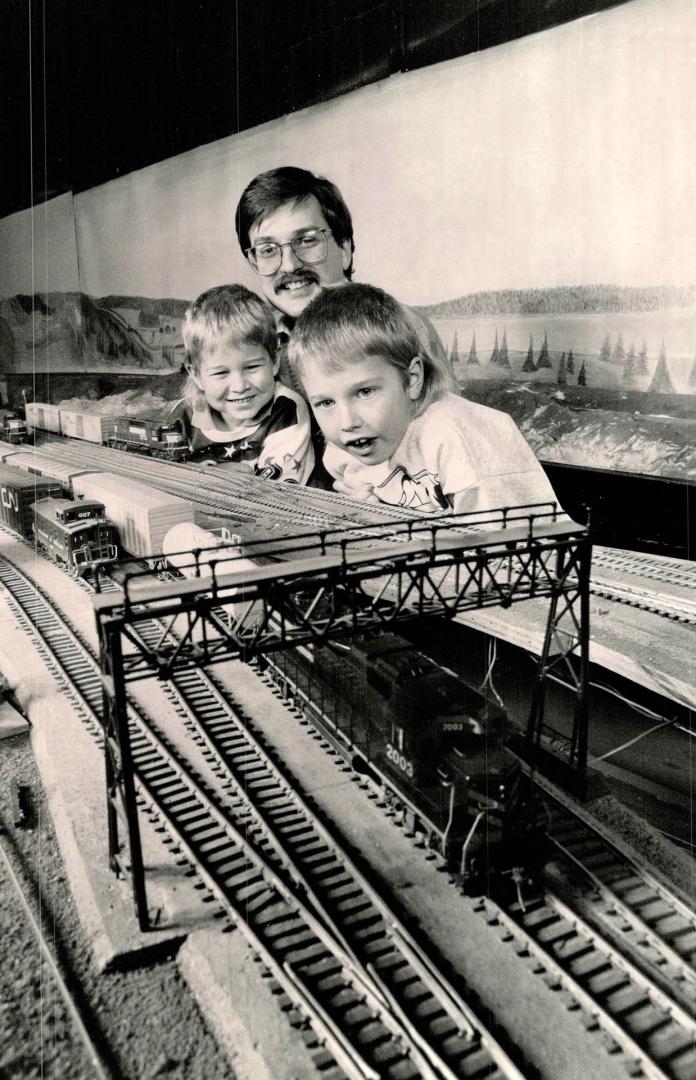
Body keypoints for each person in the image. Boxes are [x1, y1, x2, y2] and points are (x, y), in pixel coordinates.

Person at [287, 283, 561, 515]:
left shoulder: (449, 436)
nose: (347, 422)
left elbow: (502, 550)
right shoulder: (344, 449)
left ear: (412, 379)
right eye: (326, 403)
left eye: (365, 392)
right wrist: (367, 515)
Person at [234, 166, 454, 393]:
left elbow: (445, 424)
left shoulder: (406, 326)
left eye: (307, 241)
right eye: (268, 249)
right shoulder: (252, 343)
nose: (289, 265)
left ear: (345, 249)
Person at [171, 284, 314, 483]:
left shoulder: (286, 410)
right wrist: (216, 474)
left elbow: (275, 493)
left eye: (251, 367)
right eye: (221, 373)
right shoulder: (184, 416)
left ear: (275, 359)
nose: (239, 386)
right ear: (195, 374)